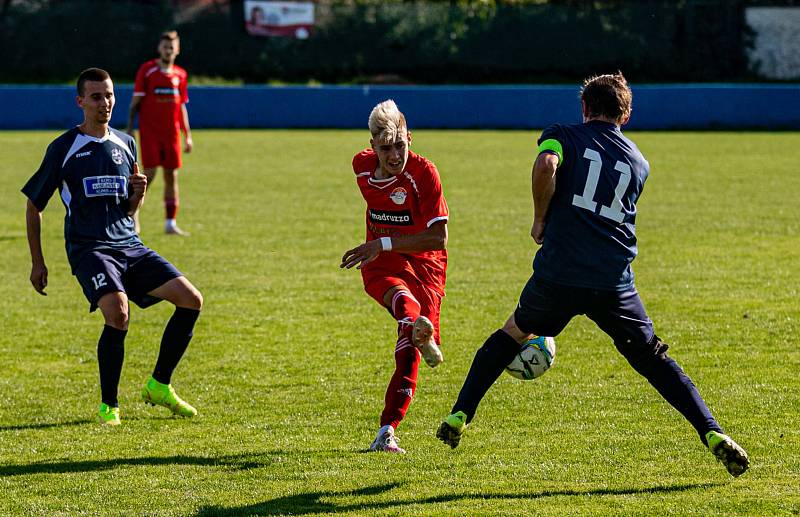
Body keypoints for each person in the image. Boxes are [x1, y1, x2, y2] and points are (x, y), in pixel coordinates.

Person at [435, 73, 750, 477]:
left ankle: (460, 414)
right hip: (612, 281)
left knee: (512, 333)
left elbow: (547, 163)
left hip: (560, 274)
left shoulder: (562, 134)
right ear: (627, 113)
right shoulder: (640, 162)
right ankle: (712, 432)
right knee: (653, 358)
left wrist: (539, 219)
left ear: (584, 109)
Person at [23, 68, 203, 426]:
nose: (104, 103)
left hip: (129, 244)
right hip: (89, 248)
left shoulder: (125, 143)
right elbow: (34, 206)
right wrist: (37, 262)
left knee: (191, 300)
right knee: (118, 313)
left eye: (108, 96)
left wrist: (138, 197)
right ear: (80, 102)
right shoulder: (63, 148)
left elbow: (126, 209)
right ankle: (110, 405)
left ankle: (159, 385)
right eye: (95, 97)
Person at [341, 100, 449, 453]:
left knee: (410, 349)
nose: (394, 155)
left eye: (400, 145)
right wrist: (381, 248)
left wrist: (382, 241)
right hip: (381, 262)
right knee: (406, 306)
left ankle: (386, 431)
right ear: (372, 147)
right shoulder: (361, 167)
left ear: (410, 139)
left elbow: (439, 237)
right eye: (385, 148)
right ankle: (413, 321)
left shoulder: (424, 174)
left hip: (425, 263)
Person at [127, 30, 193, 236]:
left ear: (177, 49)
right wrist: (130, 127)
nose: (168, 49)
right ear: (159, 49)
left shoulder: (180, 75)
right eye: (165, 46)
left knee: (171, 175)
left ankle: (170, 223)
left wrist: (187, 135)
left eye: (172, 46)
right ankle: (131, 213)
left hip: (171, 134)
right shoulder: (147, 70)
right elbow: (135, 102)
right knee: (150, 173)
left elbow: (181, 107)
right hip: (150, 133)